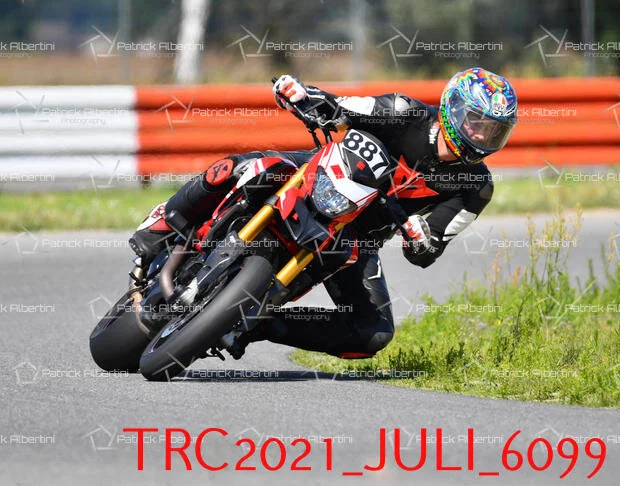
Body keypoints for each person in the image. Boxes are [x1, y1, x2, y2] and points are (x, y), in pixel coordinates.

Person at [128, 67, 518, 359]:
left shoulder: (476, 187)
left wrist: (420, 237)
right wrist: (301, 94)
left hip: (355, 237)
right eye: (476, 123)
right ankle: (166, 222)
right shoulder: (405, 112)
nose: (481, 136)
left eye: (493, 131)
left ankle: (251, 322)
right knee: (242, 167)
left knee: (373, 334)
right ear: (454, 108)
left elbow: (428, 251)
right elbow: (341, 106)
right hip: (318, 174)